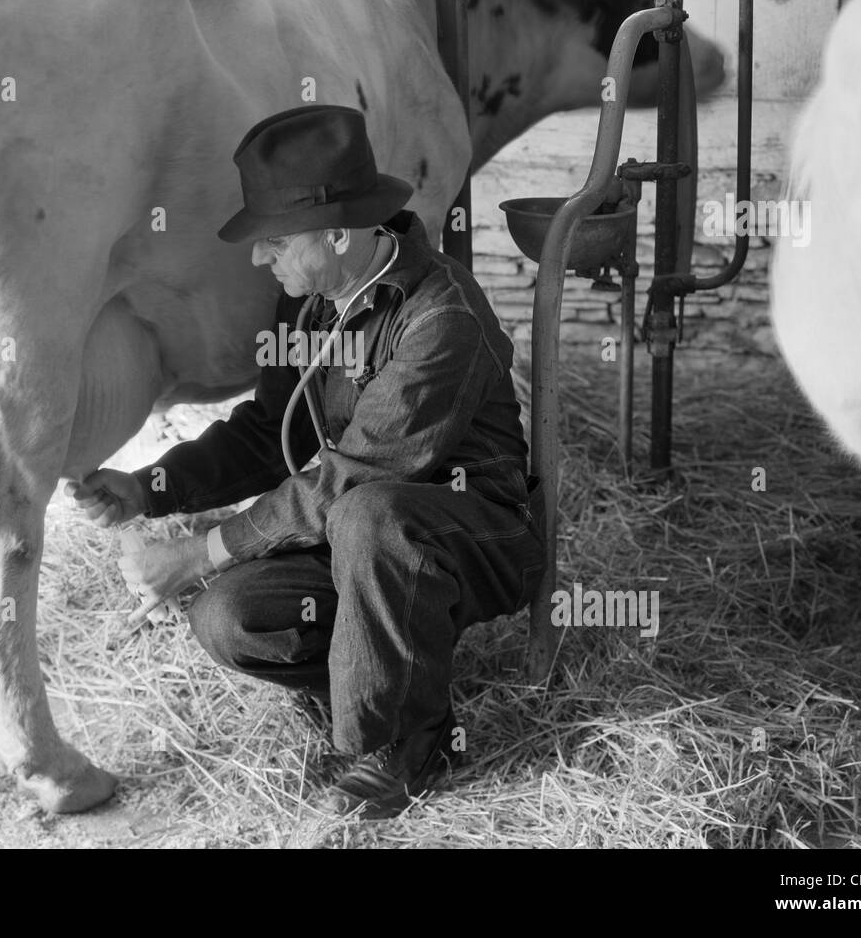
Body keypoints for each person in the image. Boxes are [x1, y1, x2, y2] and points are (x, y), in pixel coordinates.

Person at [69, 104, 546, 817]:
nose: (261, 256)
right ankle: (373, 678)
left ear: (340, 230)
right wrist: (149, 487)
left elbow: (356, 473)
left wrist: (205, 549)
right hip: (360, 535)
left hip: (476, 533)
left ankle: (410, 737)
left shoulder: (440, 316)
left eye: (275, 240)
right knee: (229, 616)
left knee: (369, 512)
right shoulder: (310, 305)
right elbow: (269, 431)